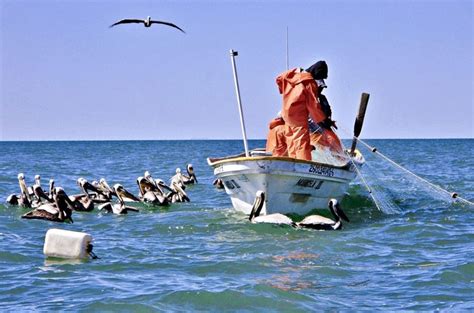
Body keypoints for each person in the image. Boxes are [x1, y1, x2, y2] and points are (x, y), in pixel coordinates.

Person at [276, 60, 333, 160]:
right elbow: (313, 106)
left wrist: (283, 90)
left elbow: (279, 79)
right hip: (298, 116)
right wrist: (324, 120)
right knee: (302, 142)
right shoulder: (309, 82)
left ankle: (293, 162)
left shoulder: (291, 75)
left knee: (292, 140)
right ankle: (304, 164)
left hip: (286, 114)